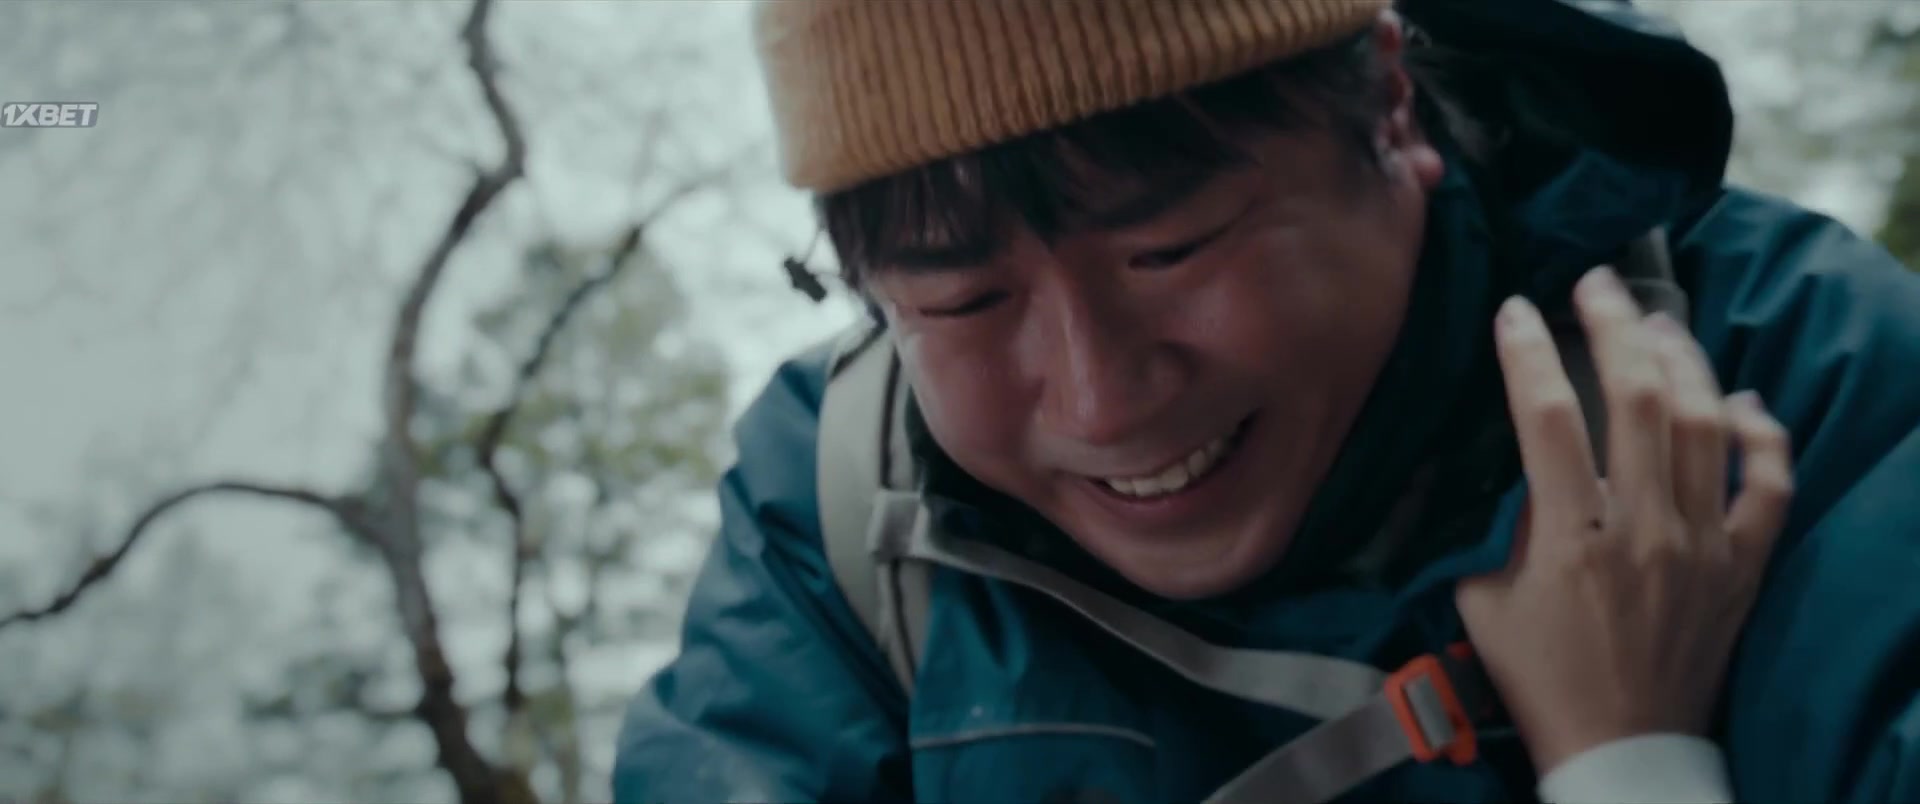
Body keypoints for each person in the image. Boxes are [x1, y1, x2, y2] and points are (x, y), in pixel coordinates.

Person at [614, 1, 1920, 802]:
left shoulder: (1800, 384)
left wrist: (1625, 763)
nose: (1103, 401)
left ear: (1390, 107)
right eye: (962, 303)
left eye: (1170, 250)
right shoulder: (839, 526)